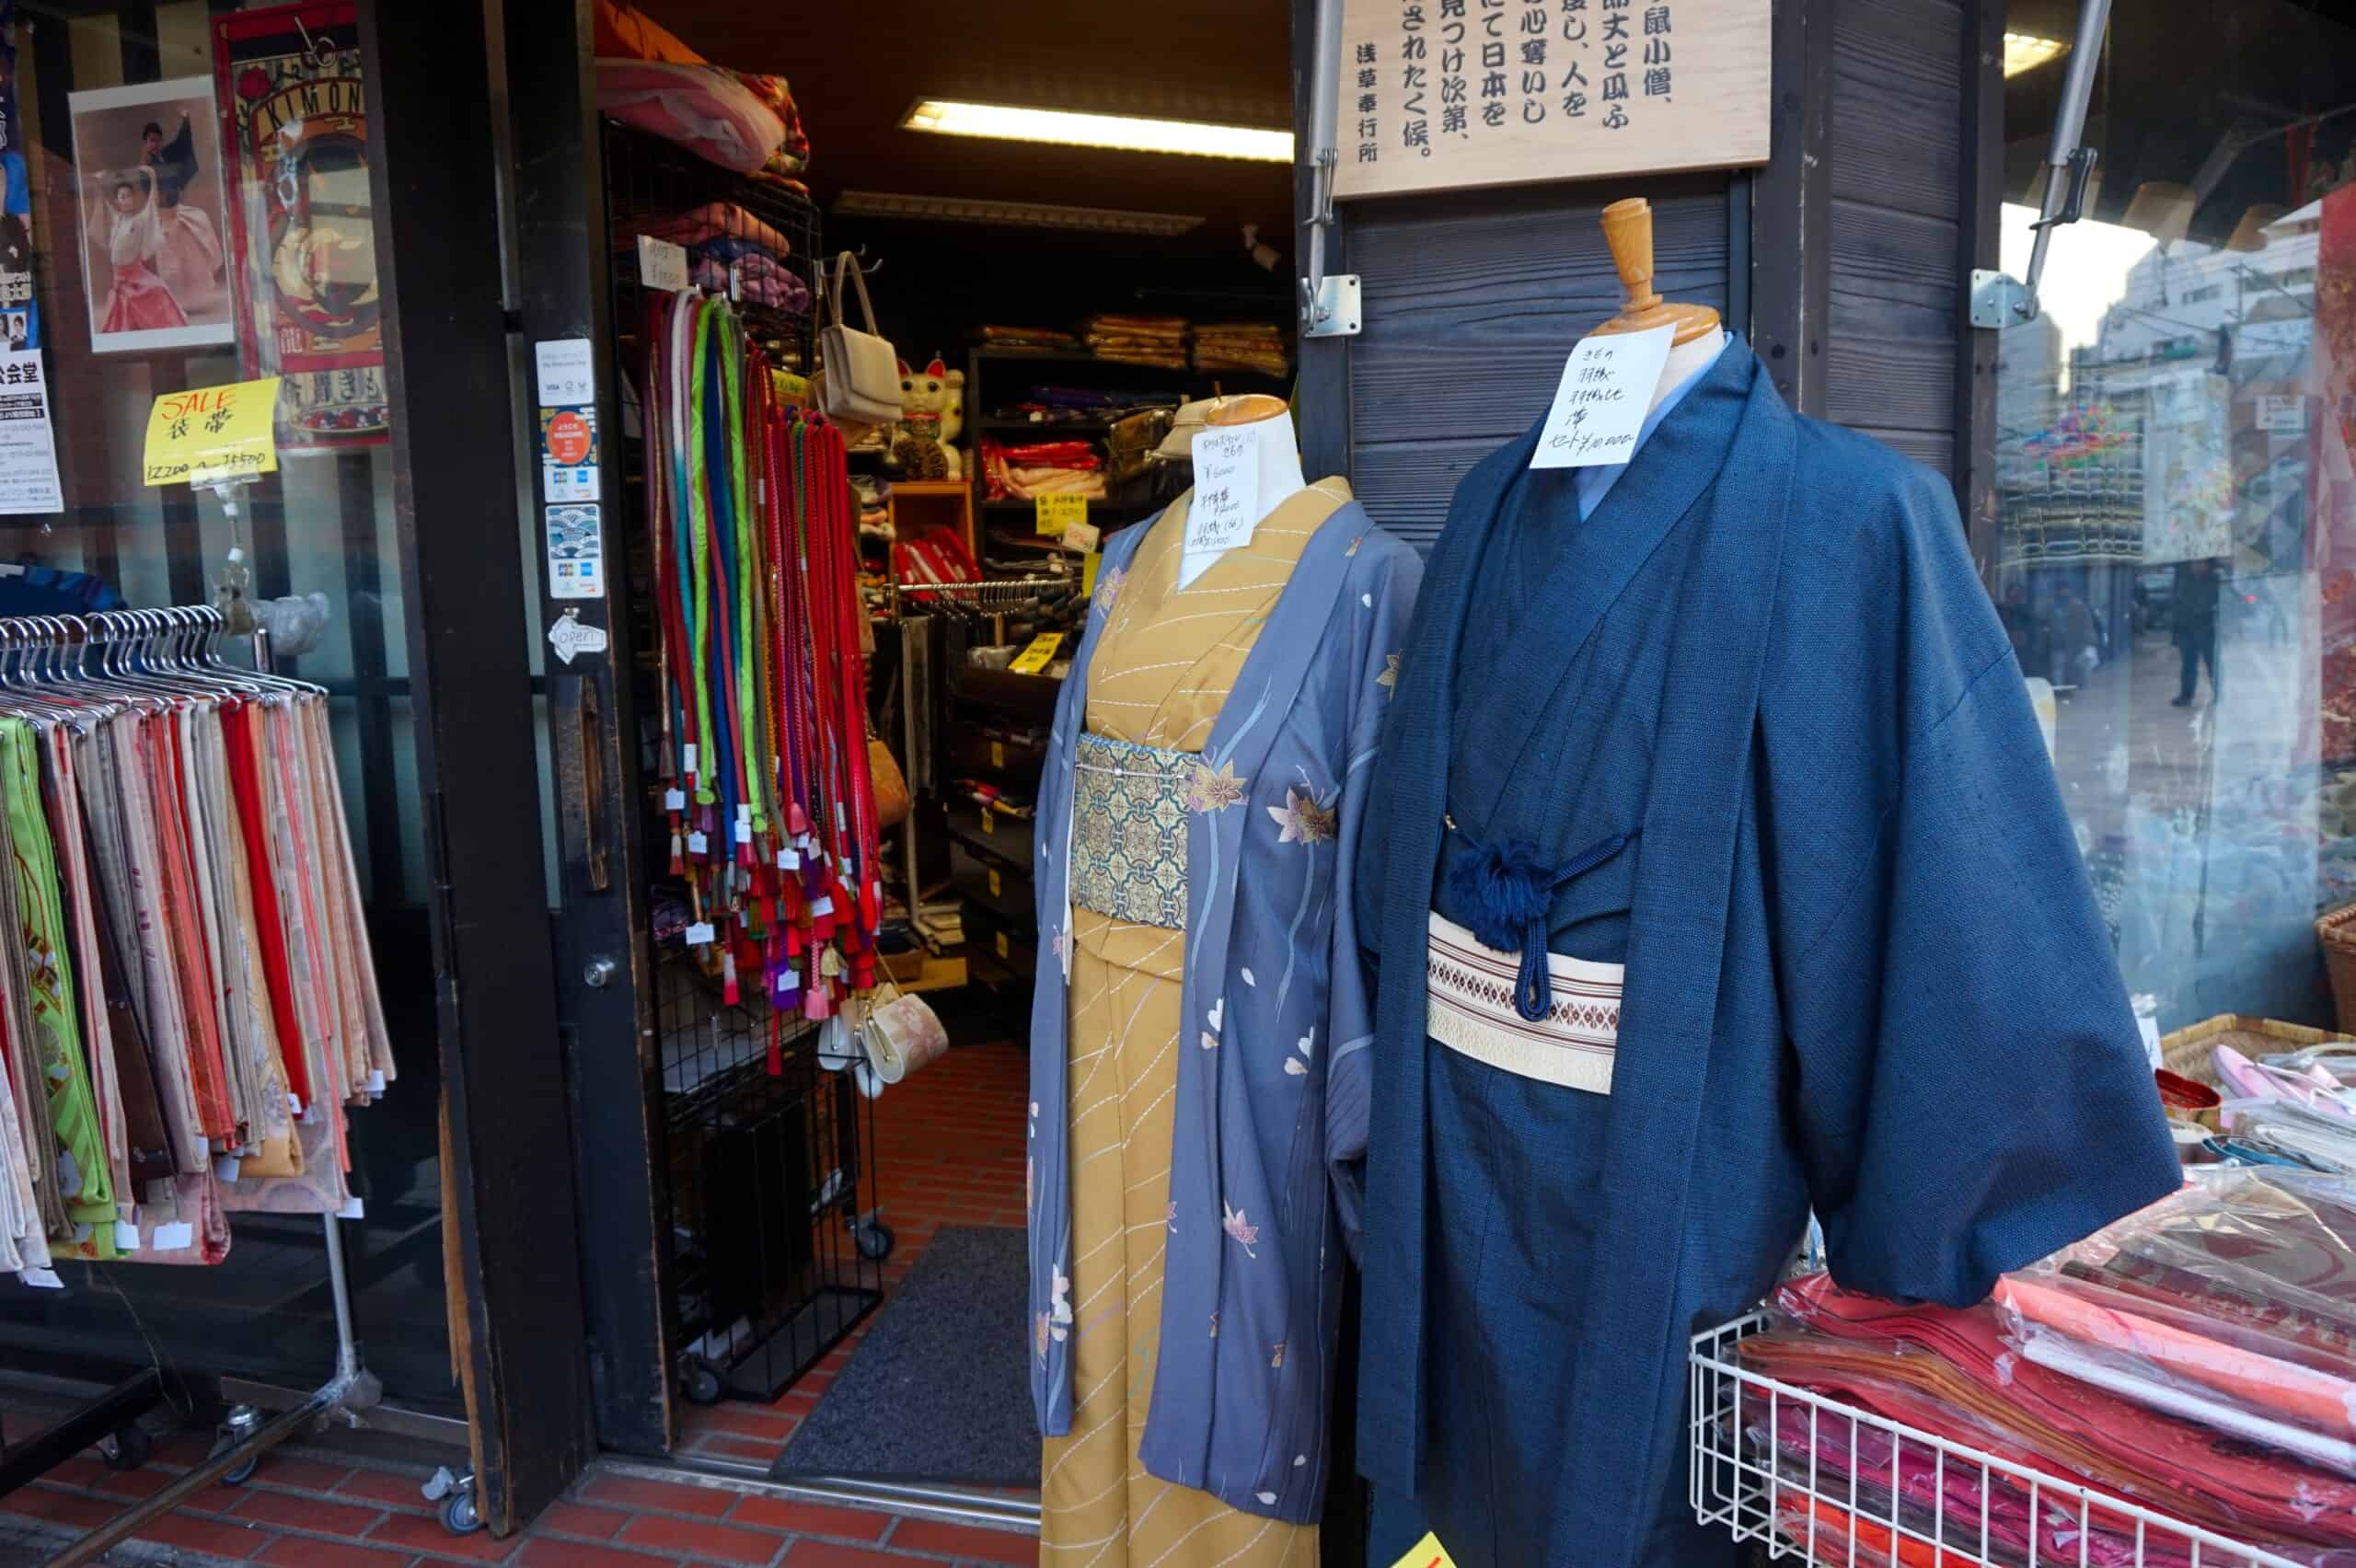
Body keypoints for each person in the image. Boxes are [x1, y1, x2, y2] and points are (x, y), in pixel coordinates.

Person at [139, 113, 224, 316]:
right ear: (145, 142)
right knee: (170, 267)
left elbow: (182, 144)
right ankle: (174, 305)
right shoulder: (144, 168)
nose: (155, 144)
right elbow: (149, 198)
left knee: (191, 256)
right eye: (151, 140)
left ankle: (191, 301)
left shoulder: (166, 154)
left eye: (158, 140)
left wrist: (186, 120)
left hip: (177, 214)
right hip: (163, 220)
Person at [88, 167, 186, 333]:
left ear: (133, 199)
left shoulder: (140, 219)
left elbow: (152, 203)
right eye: (122, 197)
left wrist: (152, 178)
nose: (126, 200)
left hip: (135, 274)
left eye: (128, 196)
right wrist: (98, 183)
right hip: (119, 277)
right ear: (118, 201)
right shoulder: (116, 218)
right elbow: (103, 202)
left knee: (159, 288)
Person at [2173, 556, 2221, 707]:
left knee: (2213, 664)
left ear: (2208, 565)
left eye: (2201, 563)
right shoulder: (2184, 580)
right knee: (2188, 664)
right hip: (2186, 629)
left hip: (2207, 628)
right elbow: (2177, 604)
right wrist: (2176, 632)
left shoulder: (2215, 580)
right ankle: (2186, 696)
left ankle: (2220, 695)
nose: (2197, 566)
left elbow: (2219, 602)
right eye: (2194, 563)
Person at [2045, 578, 2098, 693]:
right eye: (2061, 589)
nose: (2063, 592)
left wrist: (2089, 641)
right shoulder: (2051, 604)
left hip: (2073, 642)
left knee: (2070, 667)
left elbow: (2086, 624)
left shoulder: (2077, 605)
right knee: (2058, 667)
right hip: (2057, 642)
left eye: (2065, 589)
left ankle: (2069, 689)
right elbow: (2044, 621)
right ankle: (2060, 689)